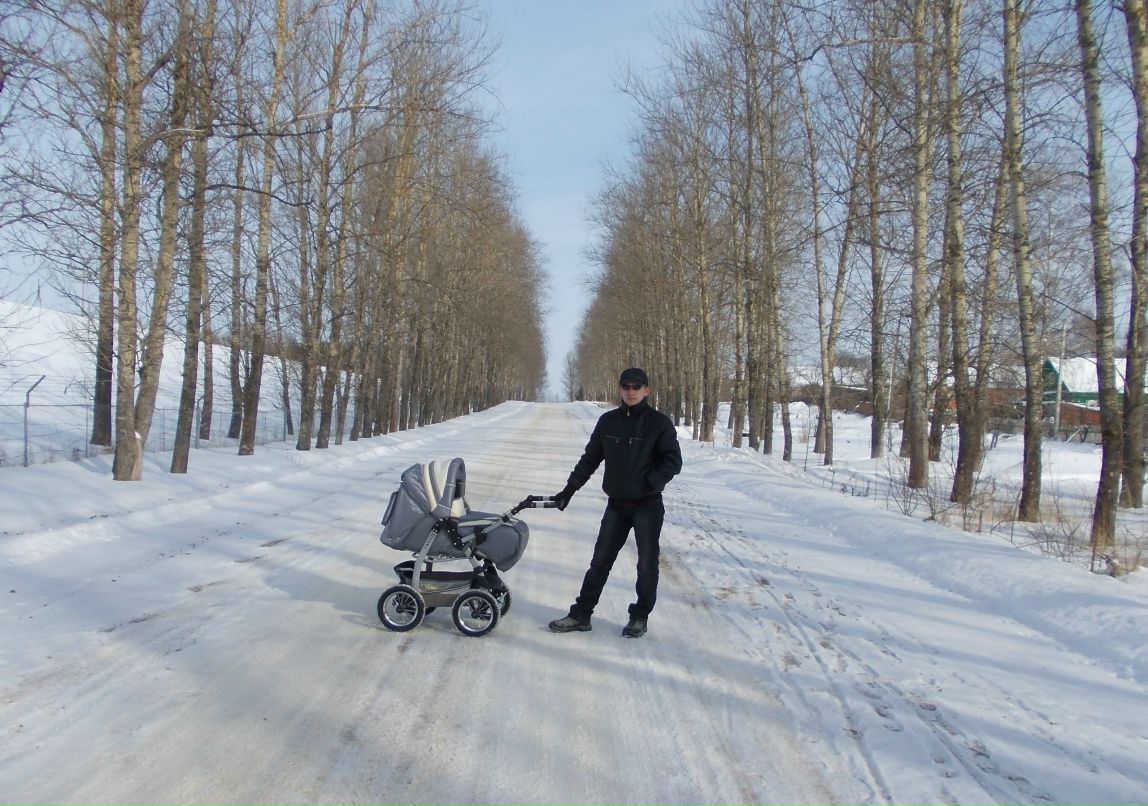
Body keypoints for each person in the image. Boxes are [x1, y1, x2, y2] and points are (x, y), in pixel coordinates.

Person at [548, 367, 683, 638]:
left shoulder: (659, 424)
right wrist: (568, 490)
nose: (631, 391)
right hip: (617, 506)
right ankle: (581, 614)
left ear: (647, 390)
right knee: (600, 561)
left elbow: (673, 461)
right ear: (620, 389)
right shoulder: (608, 422)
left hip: (647, 505)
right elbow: (590, 459)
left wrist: (648, 483)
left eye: (637, 386)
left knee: (646, 564)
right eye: (626, 386)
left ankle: (639, 617)